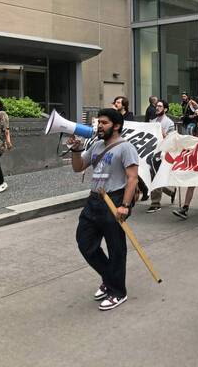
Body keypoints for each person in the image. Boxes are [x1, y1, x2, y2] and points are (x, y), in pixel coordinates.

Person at [68, 108, 139, 311]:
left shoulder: (126, 148)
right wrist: (75, 150)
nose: (100, 126)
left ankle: (118, 292)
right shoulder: (97, 145)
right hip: (94, 200)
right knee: (85, 243)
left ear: (116, 126)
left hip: (114, 199)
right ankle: (110, 279)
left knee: (116, 248)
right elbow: (79, 166)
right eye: (99, 122)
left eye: (104, 123)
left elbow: (132, 178)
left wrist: (125, 205)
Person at [147, 99, 176, 213]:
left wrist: (163, 134)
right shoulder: (152, 121)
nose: (157, 108)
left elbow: (171, 139)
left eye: (160, 106)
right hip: (152, 152)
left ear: (165, 109)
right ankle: (170, 192)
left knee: (156, 176)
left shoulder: (169, 123)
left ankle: (155, 202)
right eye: (156, 106)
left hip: (162, 153)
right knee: (152, 176)